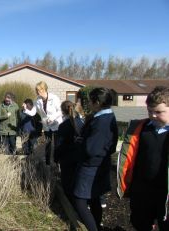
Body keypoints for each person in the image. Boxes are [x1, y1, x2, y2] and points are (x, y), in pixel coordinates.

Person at [117, 86, 169, 230]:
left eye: (159, 112)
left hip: (166, 192)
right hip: (143, 189)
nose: (153, 115)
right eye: (150, 111)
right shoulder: (141, 129)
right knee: (140, 222)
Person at [72, 87, 118, 231]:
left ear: (97, 102)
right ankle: (97, 225)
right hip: (101, 162)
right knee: (94, 197)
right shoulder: (109, 117)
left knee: (79, 200)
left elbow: (92, 149)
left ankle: (93, 228)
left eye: (90, 101)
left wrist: (80, 142)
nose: (89, 104)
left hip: (91, 165)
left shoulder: (101, 122)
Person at [54, 100, 84, 198]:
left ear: (63, 111)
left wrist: (55, 158)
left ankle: (71, 205)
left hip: (67, 159)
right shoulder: (82, 123)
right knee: (78, 181)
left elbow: (59, 145)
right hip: (80, 157)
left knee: (67, 183)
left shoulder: (63, 126)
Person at [35, 81, 63, 165]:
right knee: (48, 144)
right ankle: (47, 163)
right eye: (36, 90)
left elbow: (60, 110)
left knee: (57, 145)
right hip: (47, 126)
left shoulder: (54, 98)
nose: (36, 92)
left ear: (43, 89)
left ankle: (57, 163)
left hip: (56, 124)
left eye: (38, 90)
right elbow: (36, 111)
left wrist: (53, 117)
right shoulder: (37, 100)